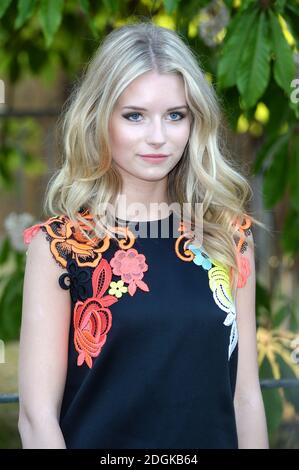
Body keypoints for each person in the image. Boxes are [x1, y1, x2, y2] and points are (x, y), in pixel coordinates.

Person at [18, 20, 269, 449]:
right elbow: (36, 417)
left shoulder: (228, 238)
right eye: (134, 116)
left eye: (175, 116)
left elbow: (245, 397)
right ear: (100, 118)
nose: (158, 137)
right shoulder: (60, 248)